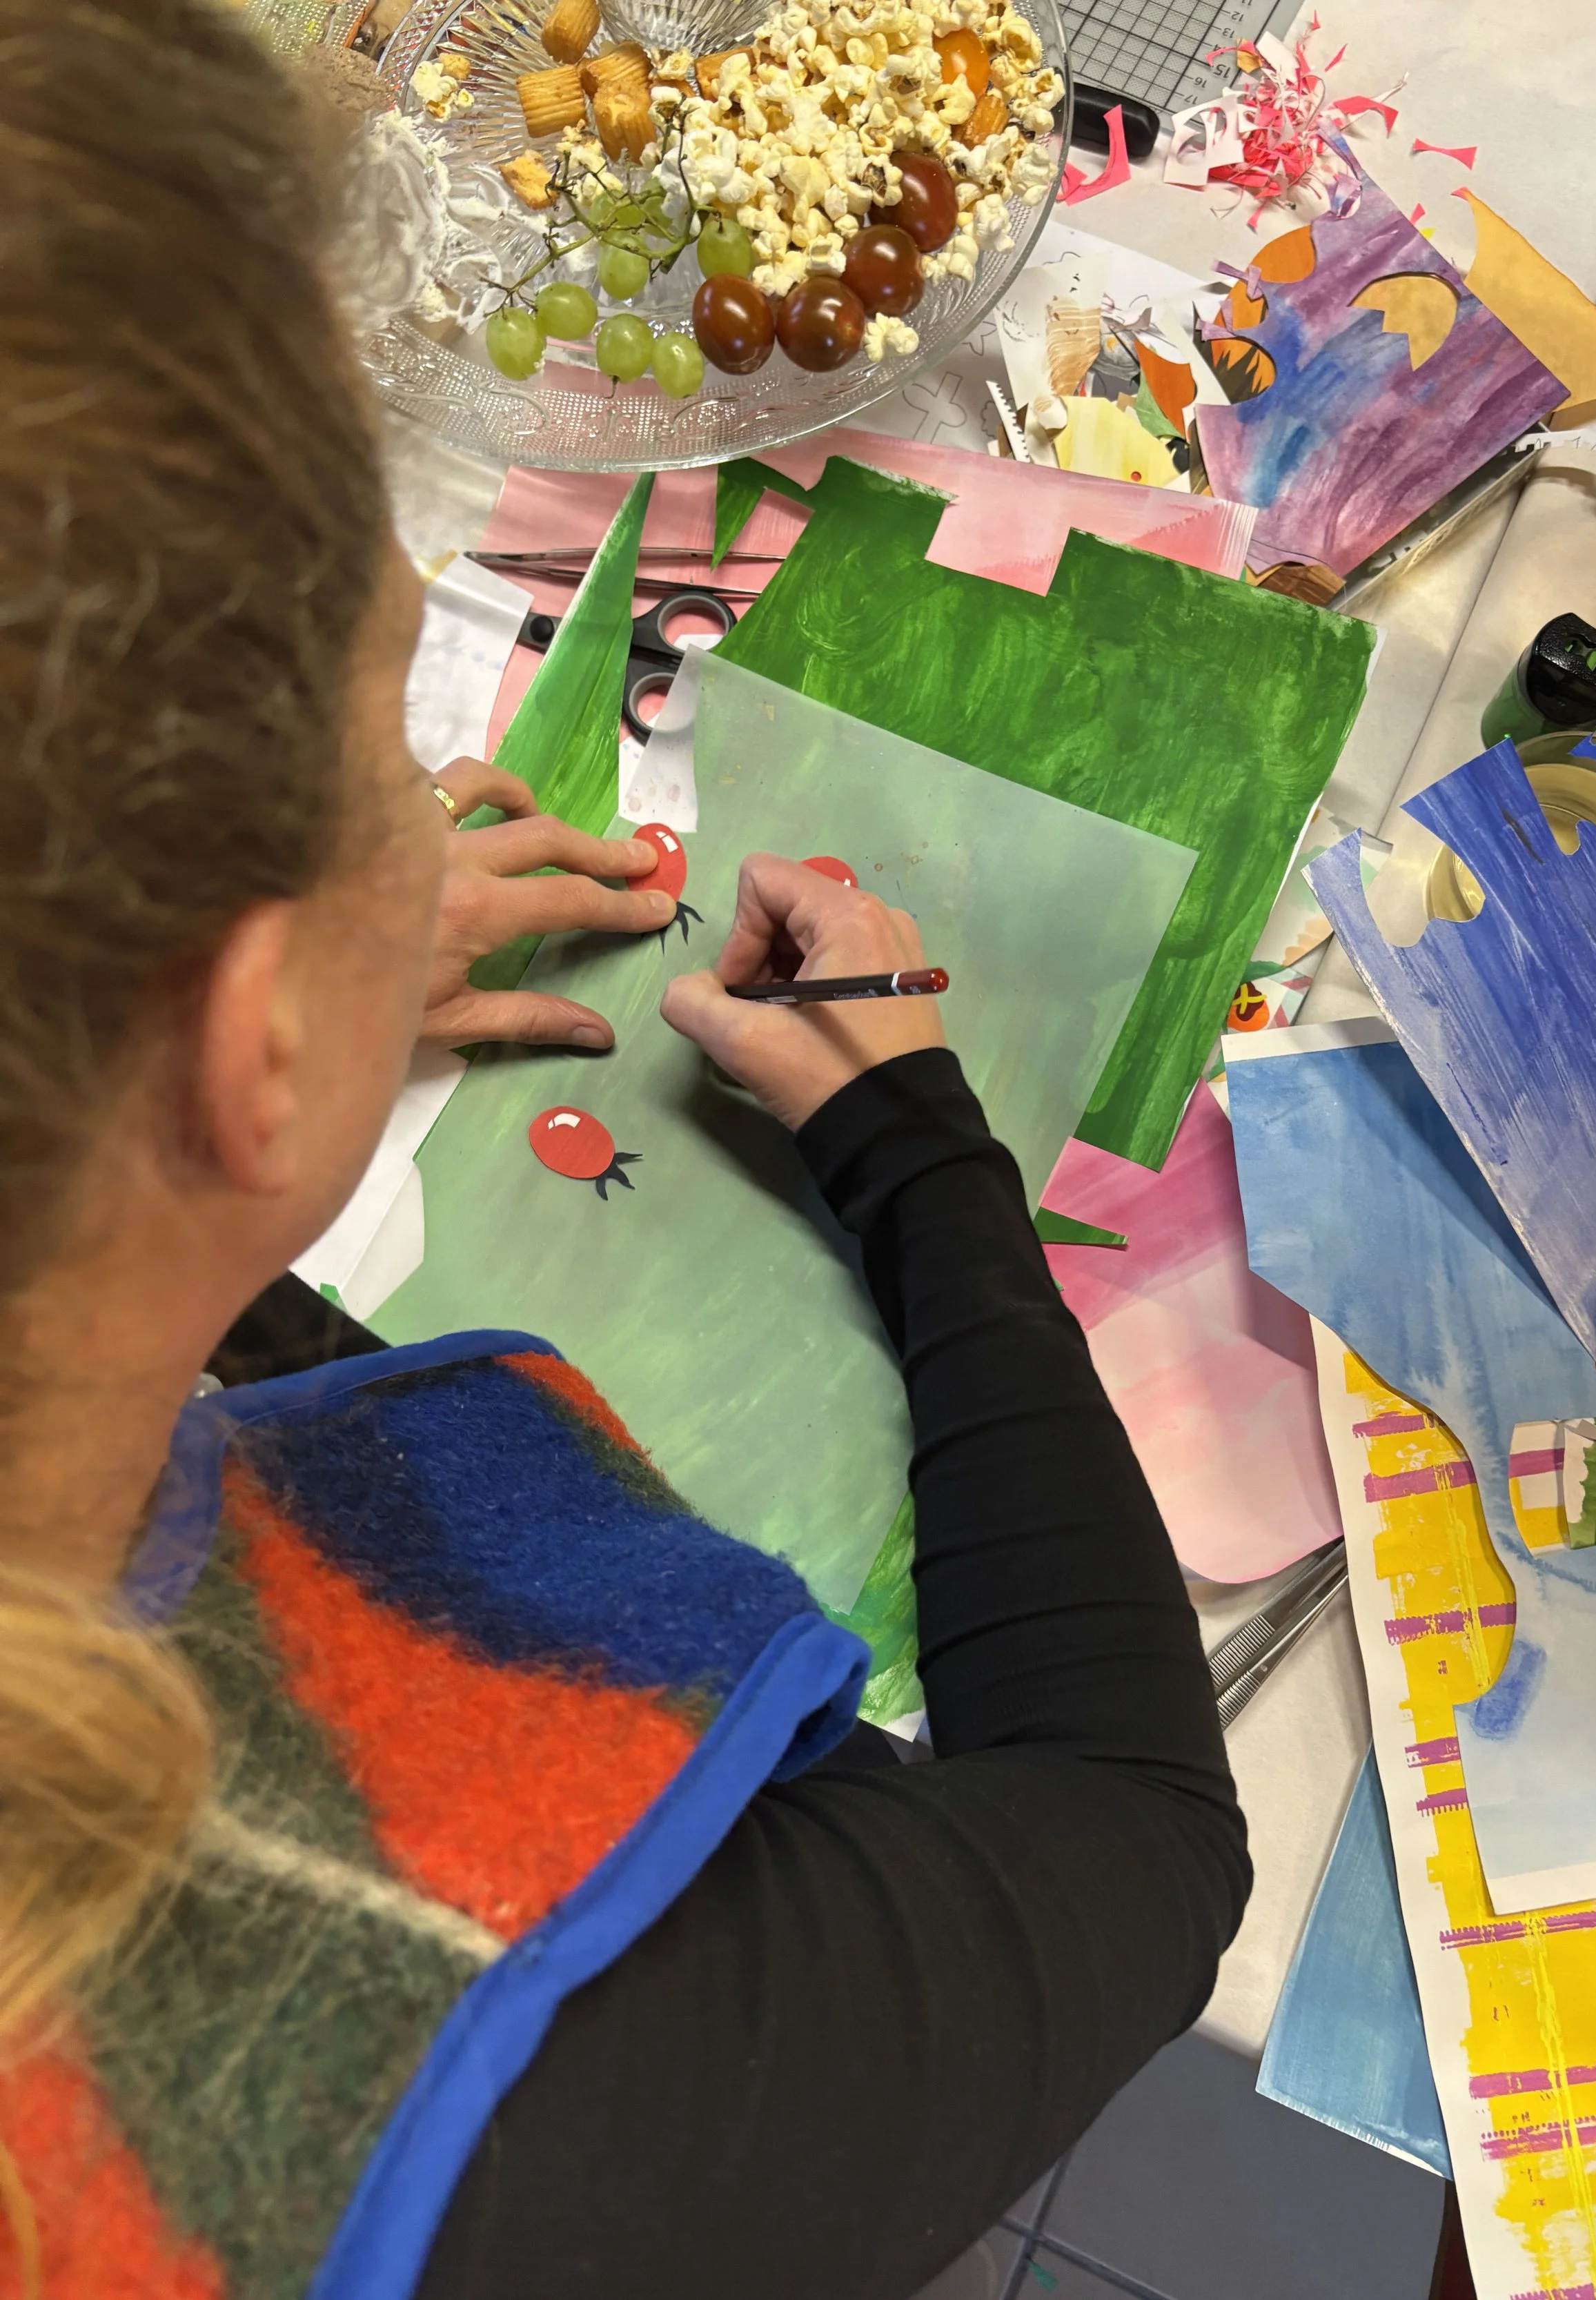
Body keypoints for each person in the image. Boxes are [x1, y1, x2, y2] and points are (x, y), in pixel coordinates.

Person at [0, 7, 1250, 2299]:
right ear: (247, 1026)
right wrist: (907, 1138)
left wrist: (164, 1086)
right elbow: (1138, 1845)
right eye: (381, 727)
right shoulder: (506, 2116)